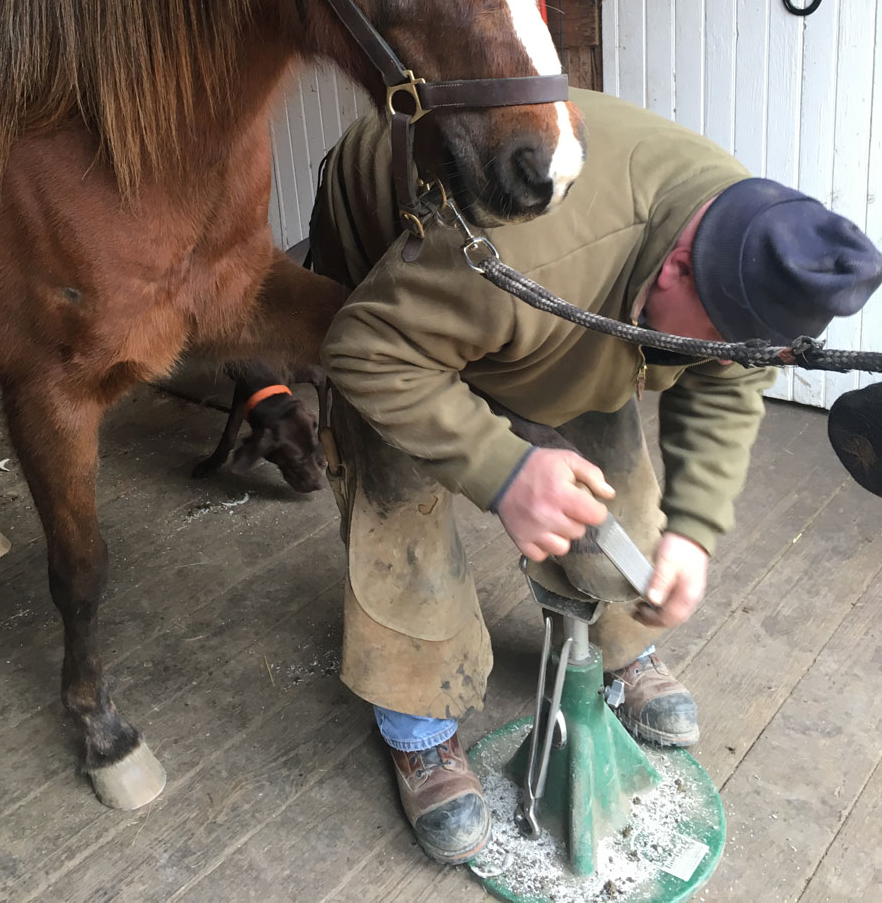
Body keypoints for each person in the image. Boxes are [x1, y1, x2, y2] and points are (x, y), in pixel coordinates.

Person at [308, 87, 882, 866]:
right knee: (399, 477)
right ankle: (420, 726)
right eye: (716, 338)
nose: (722, 358)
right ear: (680, 264)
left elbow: (730, 375)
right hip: (404, 248)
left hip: (580, 305)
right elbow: (365, 350)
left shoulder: (753, 248)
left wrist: (694, 530)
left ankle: (621, 646)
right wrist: (505, 469)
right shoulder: (535, 248)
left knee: (617, 471)